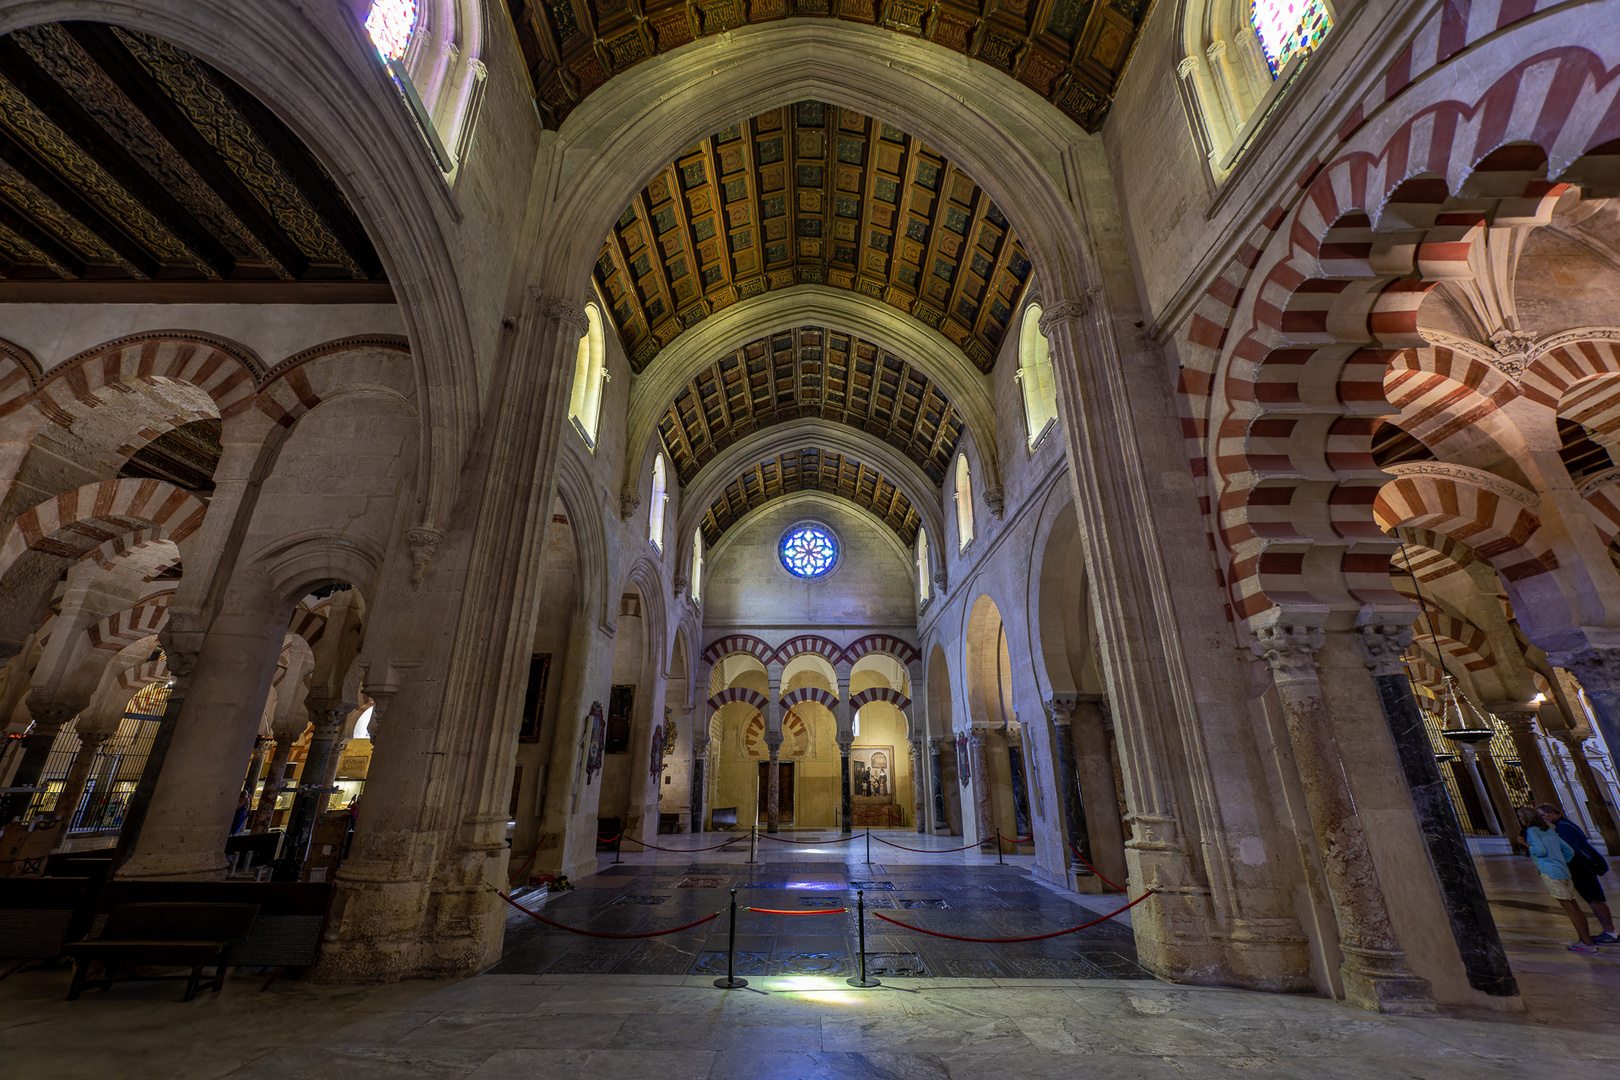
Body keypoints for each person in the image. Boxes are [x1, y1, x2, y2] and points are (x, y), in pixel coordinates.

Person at [1537, 803, 1615, 945]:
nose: (1544, 819)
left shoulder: (1564, 828)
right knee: (1594, 898)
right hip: (1582, 866)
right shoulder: (1566, 825)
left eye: (1543, 815)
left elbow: (1571, 850)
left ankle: (1610, 932)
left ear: (1551, 813)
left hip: (1581, 867)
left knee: (1595, 899)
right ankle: (1610, 931)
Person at [1526, 811, 1595, 953]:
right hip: (1563, 871)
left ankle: (1587, 944)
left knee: (1569, 908)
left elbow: (1540, 850)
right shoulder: (1550, 831)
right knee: (1575, 906)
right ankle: (1585, 940)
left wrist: (1528, 847)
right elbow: (1569, 850)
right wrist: (1561, 862)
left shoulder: (1532, 831)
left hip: (1550, 871)